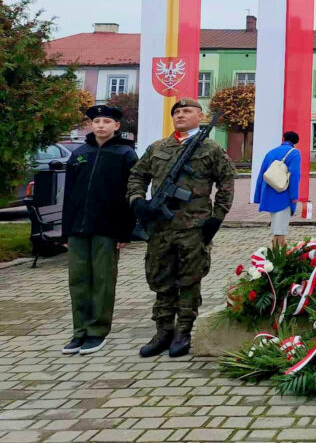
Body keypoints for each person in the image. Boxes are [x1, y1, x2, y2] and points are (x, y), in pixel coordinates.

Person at [127, 98, 235, 358]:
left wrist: (216, 218)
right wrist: (138, 201)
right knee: (160, 280)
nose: (180, 115)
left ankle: (183, 332)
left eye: (187, 111)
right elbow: (137, 175)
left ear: (200, 116)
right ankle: (163, 331)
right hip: (160, 227)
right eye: (176, 112)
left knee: (189, 281)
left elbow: (227, 182)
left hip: (193, 227)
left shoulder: (210, 148)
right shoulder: (158, 147)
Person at [60, 104, 138, 355]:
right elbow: (69, 194)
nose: (101, 125)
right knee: (78, 280)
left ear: (116, 126)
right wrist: (65, 230)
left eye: (106, 121)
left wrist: (125, 231)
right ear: (91, 125)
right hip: (78, 228)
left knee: (102, 281)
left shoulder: (125, 154)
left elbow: (130, 194)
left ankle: (97, 332)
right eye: (96, 121)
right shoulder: (79, 154)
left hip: (107, 228)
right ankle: (79, 331)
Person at [253, 130, 302, 248]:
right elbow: (295, 176)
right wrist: (294, 196)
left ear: (284, 139)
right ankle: (277, 260)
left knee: (279, 229)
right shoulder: (294, 153)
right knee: (279, 232)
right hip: (283, 196)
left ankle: (285, 255)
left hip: (269, 194)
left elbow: (261, 174)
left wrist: (258, 195)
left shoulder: (271, 152)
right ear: (296, 142)